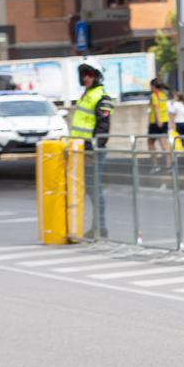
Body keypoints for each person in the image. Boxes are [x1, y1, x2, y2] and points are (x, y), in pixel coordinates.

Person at [70, 56, 114, 239]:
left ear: (96, 76)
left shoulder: (102, 97)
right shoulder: (86, 95)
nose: (85, 78)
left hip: (91, 152)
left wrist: (91, 151)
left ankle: (100, 228)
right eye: (83, 74)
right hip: (80, 149)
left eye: (88, 74)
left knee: (95, 190)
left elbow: (103, 129)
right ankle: (94, 227)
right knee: (89, 190)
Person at [147, 78, 170, 172]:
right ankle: (169, 165)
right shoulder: (163, 95)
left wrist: (158, 121)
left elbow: (156, 109)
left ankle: (155, 165)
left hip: (156, 122)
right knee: (165, 144)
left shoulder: (154, 95)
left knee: (150, 143)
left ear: (153, 86)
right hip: (165, 121)